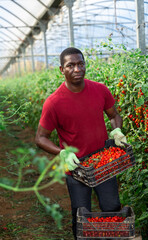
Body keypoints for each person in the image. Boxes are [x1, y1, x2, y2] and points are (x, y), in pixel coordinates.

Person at [35, 47, 127, 239]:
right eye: (71, 65)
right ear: (62, 69)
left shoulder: (100, 90)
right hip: (76, 167)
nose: (77, 69)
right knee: (80, 212)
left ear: (85, 65)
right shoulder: (54, 102)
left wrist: (116, 129)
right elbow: (40, 138)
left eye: (80, 64)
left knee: (112, 208)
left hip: (103, 161)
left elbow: (114, 115)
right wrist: (62, 153)